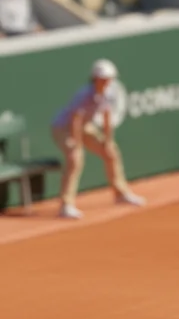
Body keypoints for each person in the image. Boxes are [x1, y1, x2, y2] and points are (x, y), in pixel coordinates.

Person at [50, 59, 145, 220]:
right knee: (75, 159)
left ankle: (121, 194)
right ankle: (66, 205)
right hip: (63, 128)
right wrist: (76, 143)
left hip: (84, 125)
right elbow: (75, 119)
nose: (107, 82)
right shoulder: (84, 94)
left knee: (111, 152)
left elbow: (107, 117)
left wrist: (108, 140)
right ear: (95, 79)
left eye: (109, 79)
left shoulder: (109, 93)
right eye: (104, 79)